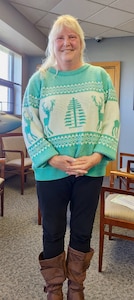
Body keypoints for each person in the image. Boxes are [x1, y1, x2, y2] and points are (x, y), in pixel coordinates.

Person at [22, 14, 120, 300]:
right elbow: (30, 122)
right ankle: (54, 288)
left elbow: (111, 119)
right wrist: (51, 158)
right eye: (60, 38)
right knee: (52, 231)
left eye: (72, 36)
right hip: (51, 171)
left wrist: (96, 157)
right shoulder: (39, 80)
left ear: (81, 41)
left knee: (82, 231)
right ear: (52, 44)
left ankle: (76, 287)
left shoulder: (99, 76)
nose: (67, 42)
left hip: (89, 170)